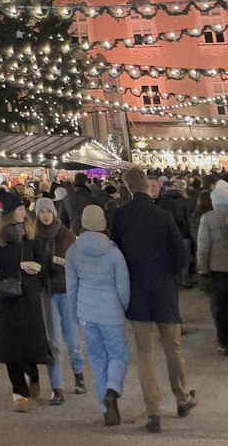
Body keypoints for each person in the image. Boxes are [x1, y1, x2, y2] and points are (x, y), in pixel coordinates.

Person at [110, 165, 196, 433]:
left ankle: (153, 412)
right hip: (164, 292)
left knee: (145, 353)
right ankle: (182, 398)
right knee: (173, 348)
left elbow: (117, 255)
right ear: (148, 186)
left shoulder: (120, 217)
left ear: (126, 186)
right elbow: (181, 257)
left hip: (137, 293)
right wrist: (168, 272)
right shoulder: (162, 215)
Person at [0, 190, 52, 412]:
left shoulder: (31, 236)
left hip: (29, 296)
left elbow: (43, 263)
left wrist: (36, 268)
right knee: (10, 345)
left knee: (30, 341)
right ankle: (18, 391)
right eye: (19, 209)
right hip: (7, 297)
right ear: (9, 213)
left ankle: (33, 373)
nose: (23, 212)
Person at [66, 203, 130, 426]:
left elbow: (71, 287)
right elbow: (123, 286)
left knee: (97, 358)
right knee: (118, 354)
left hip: (86, 312)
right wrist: (125, 308)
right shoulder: (113, 252)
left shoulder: (73, 251)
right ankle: (113, 389)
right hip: (110, 311)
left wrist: (75, 315)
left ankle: (105, 408)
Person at [32, 195, 86, 402]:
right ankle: (57, 388)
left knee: (72, 339)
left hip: (66, 291)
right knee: (53, 341)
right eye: (42, 212)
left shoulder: (67, 236)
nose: (45, 215)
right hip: (46, 292)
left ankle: (78, 375)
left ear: (54, 213)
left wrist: (63, 264)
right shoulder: (34, 236)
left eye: (48, 211)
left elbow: (77, 263)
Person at [195, 177, 228, 356]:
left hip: (218, 270)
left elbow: (204, 247)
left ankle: (224, 342)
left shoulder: (207, 218)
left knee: (221, 307)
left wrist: (203, 269)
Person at [153, 175, 192, 286]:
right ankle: (184, 280)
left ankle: (176, 280)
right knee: (184, 257)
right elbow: (185, 218)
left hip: (167, 236)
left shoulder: (160, 203)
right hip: (184, 234)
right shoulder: (184, 200)